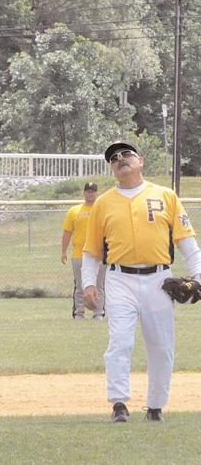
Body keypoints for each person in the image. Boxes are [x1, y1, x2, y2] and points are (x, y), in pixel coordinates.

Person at [82, 140, 201, 423]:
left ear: (141, 160)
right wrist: (88, 283)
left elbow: (187, 242)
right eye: (114, 158)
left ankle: (155, 407)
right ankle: (119, 403)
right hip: (119, 279)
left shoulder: (166, 195)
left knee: (161, 345)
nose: (120, 159)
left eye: (126, 154)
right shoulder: (103, 203)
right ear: (112, 169)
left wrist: (198, 276)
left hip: (159, 279)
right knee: (120, 341)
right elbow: (92, 251)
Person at [61, 182, 105, 320]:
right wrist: (63, 251)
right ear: (84, 193)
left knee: (99, 285)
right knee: (80, 286)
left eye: (93, 191)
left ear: (97, 193)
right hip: (79, 254)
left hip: (98, 254)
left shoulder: (102, 210)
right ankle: (78, 313)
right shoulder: (74, 211)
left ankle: (99, 313)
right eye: (88, 191)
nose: (90, 194)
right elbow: (67, 232)